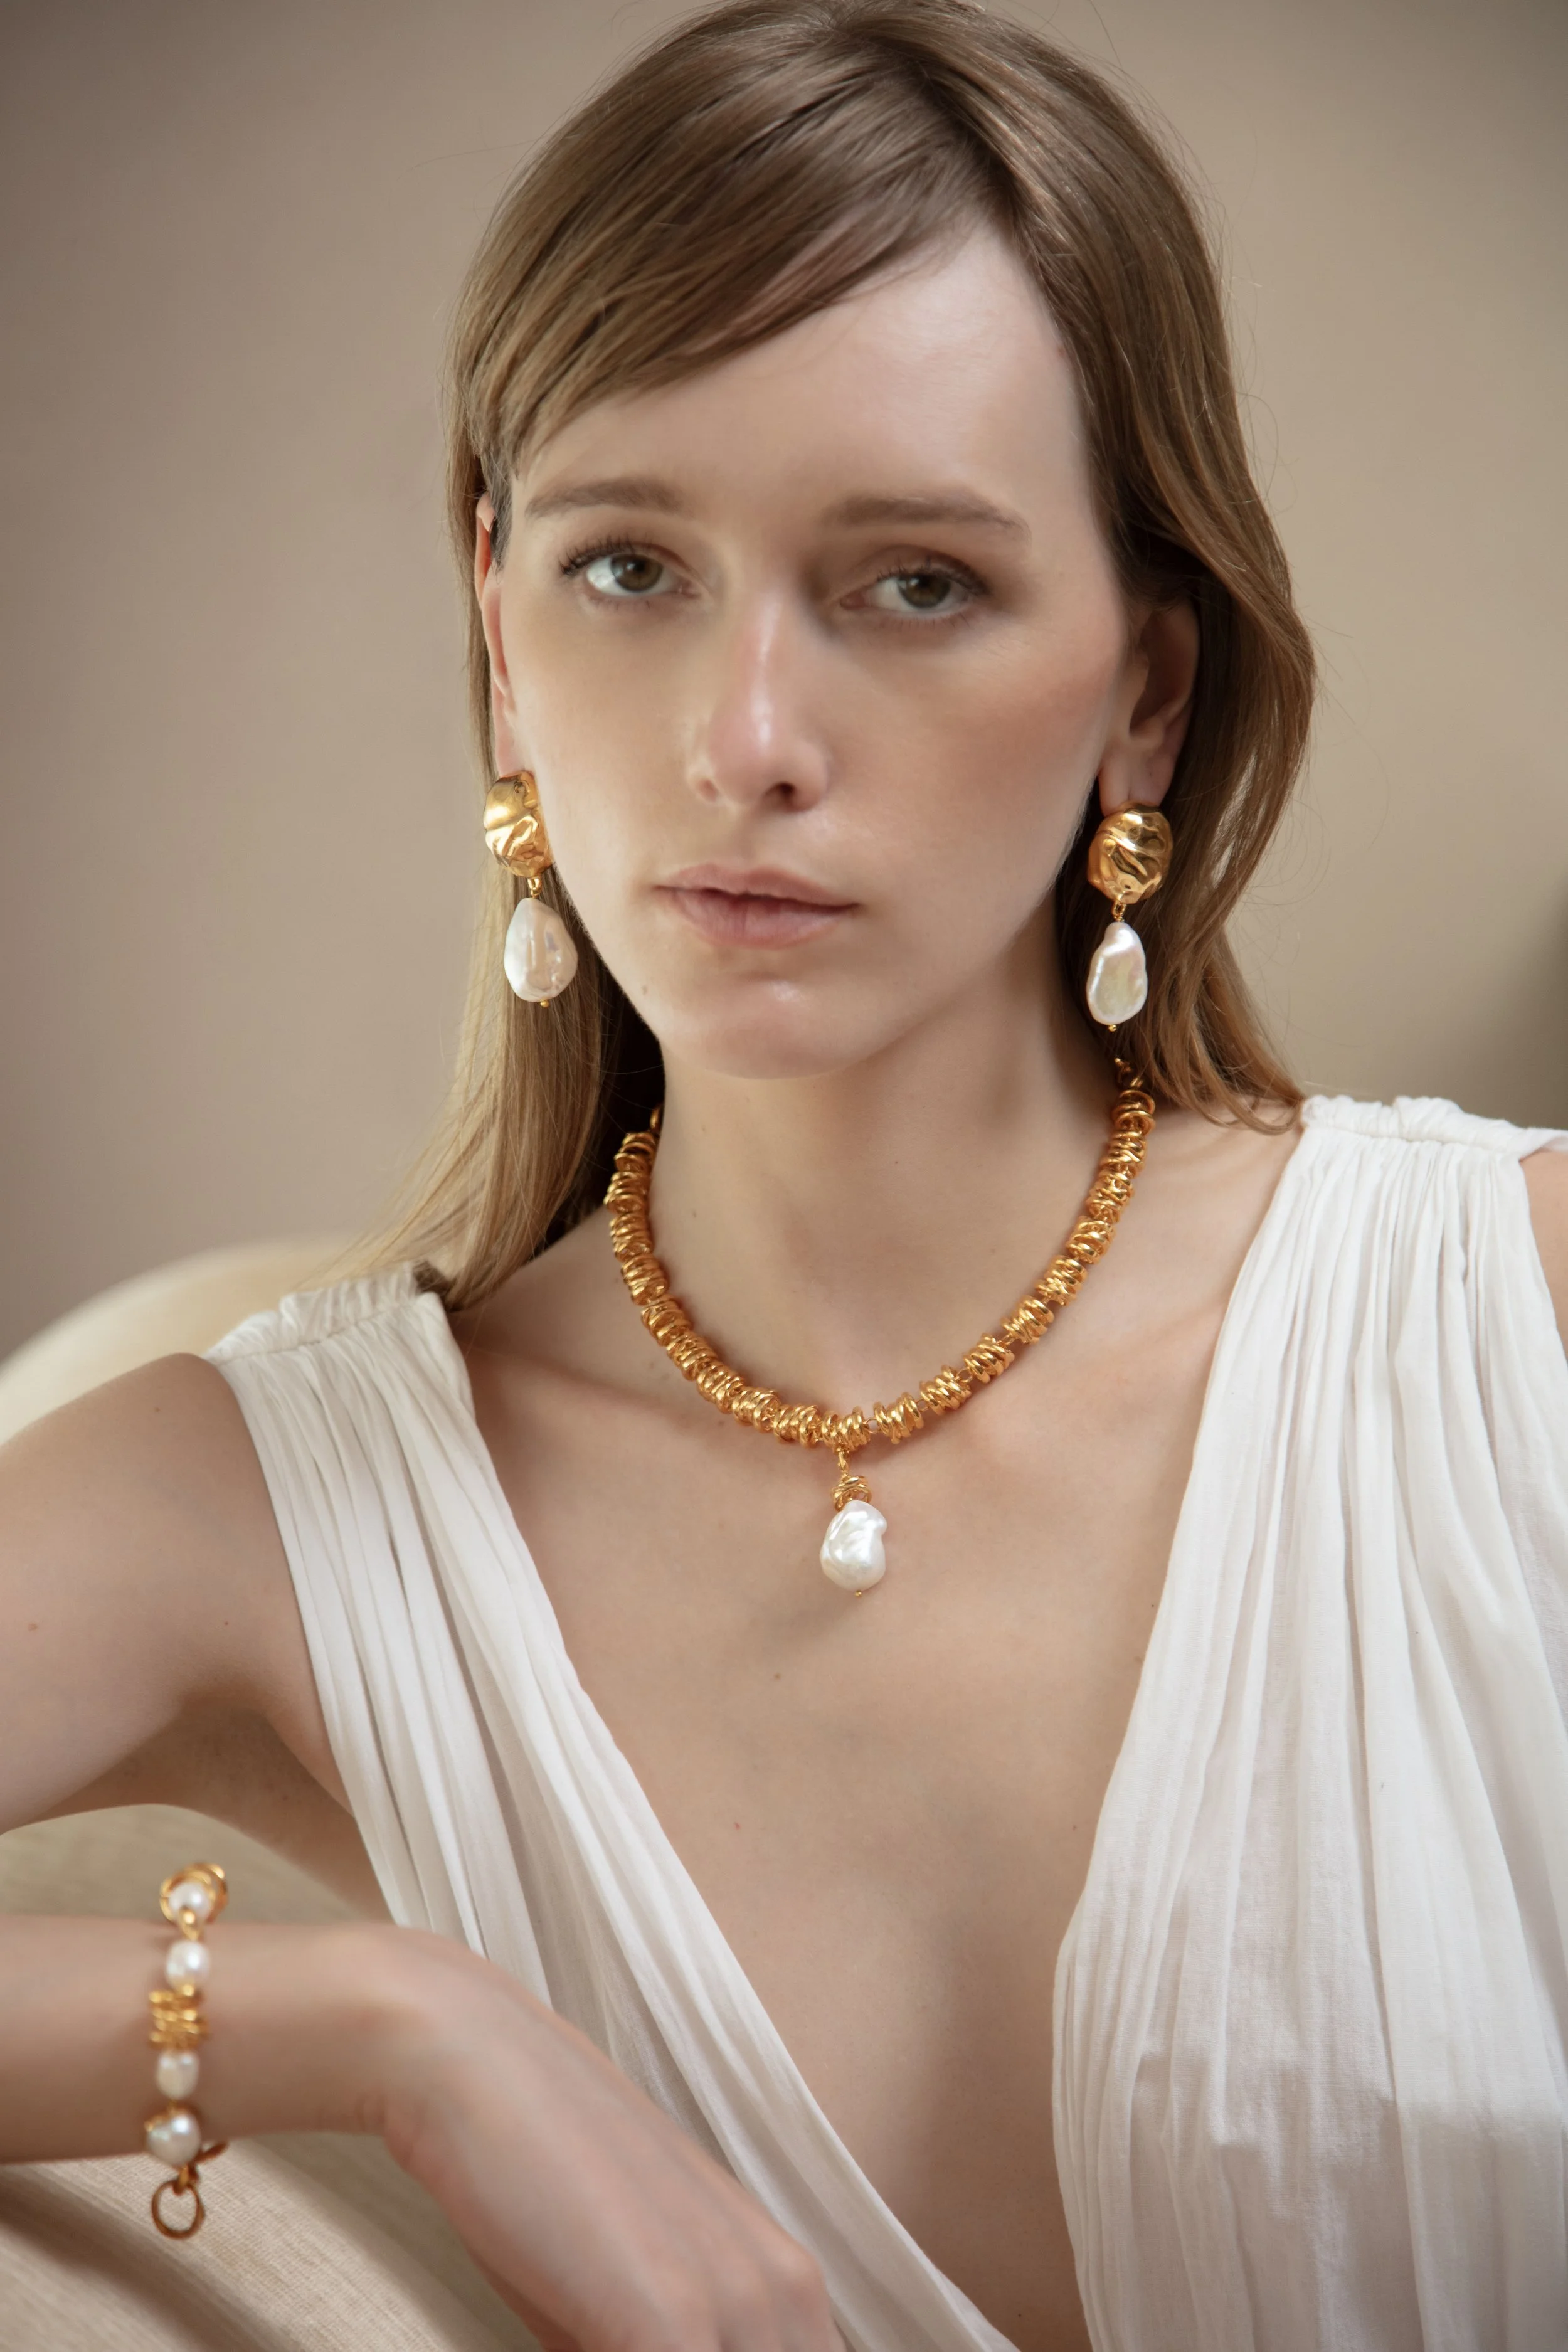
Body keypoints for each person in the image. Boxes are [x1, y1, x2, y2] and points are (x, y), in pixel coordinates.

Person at [3, 3, 1566, 2347]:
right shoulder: (272, 1498)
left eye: (912, 582)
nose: (746, 744)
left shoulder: (1511, 1323)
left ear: (1147, 688)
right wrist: (387, 2033)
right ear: (498, 640)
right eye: (630, 570)